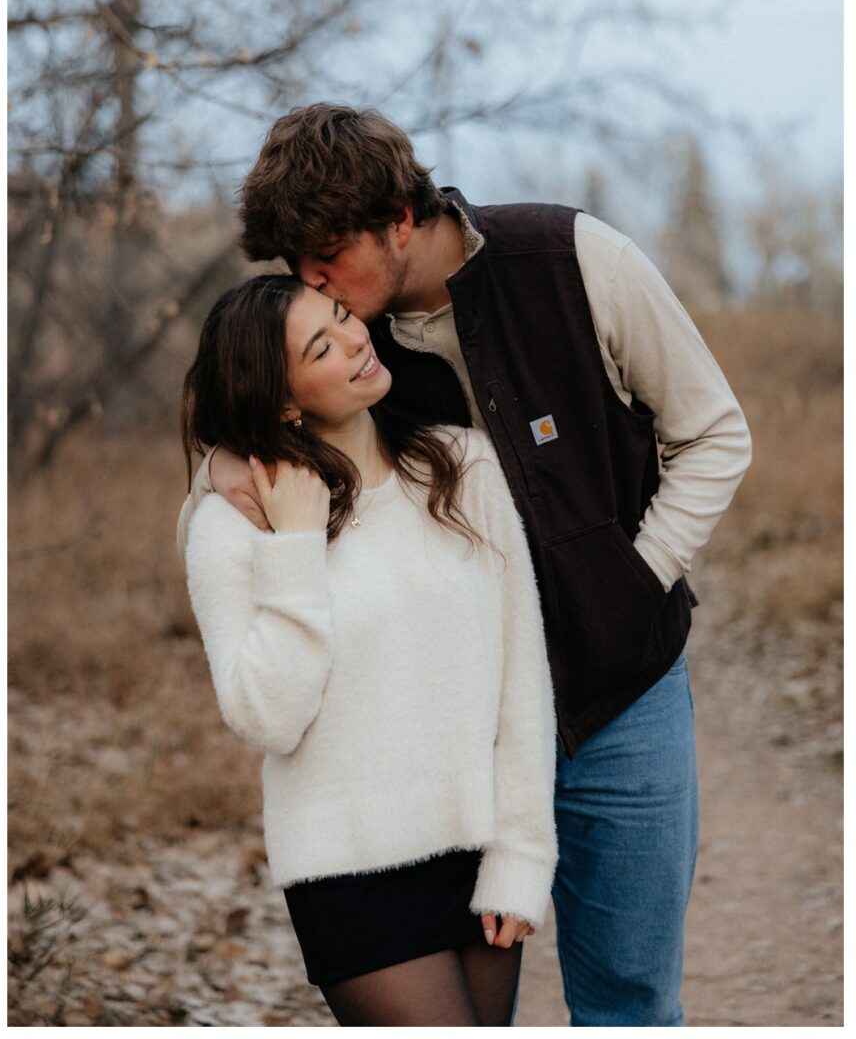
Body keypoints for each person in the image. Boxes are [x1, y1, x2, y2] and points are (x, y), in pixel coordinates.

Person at [183, 105, 750, 1025]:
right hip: (455, 735)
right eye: (300, 270)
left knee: (630, 996)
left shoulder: (575, 262)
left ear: (400, 222)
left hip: (623, 698)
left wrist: (632, 583)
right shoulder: (352, 348)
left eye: (328, 259)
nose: (314, 285)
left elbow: (715, 434)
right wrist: (223, 463)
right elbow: (258, 441)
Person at [181, 274, 555, 1025]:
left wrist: (522, 857)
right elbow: (266, 717)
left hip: (477, 847)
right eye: (323, 345)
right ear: (283, 398)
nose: (356, 339)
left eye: (345, 318)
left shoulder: (463, 468)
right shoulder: (231, 526)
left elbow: (521, 679)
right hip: (347, 869)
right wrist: (293, 548)